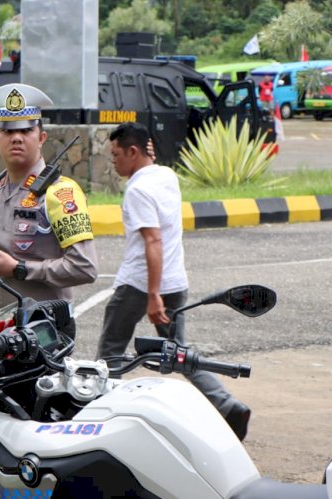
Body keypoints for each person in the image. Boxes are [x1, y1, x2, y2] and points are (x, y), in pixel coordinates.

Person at [96, 121, 252, 441]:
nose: (113, 162)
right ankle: (227, 405)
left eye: (116, 155)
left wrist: (153, 295)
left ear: (133, 152)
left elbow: (153, 241)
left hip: (141, 284)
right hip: (176, 281)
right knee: (179, 353)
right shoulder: (167, 176)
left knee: (110, 354)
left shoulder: (137, 189)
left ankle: (100, 419)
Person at [0, 83, 98, 324]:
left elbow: (85, 267)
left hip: (44, 330)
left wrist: (19, 269)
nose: (16, 138)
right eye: (7, 132)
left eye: (26, 130)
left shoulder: (61, 193)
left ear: (41, 138)